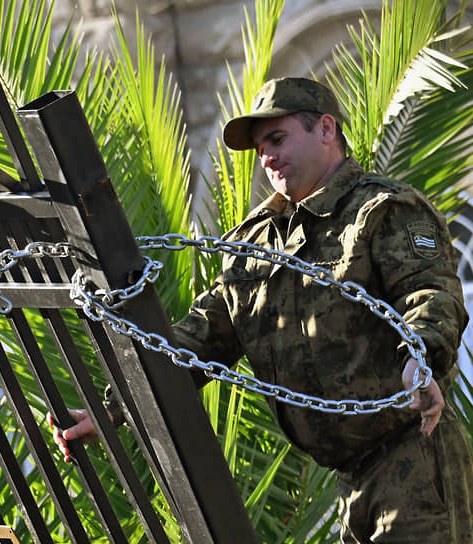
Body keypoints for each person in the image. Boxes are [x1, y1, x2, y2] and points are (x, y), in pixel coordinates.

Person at [49, 77, 473, 542]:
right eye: (258, 148)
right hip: (348, 478)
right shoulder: (253, 243)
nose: (267, 157)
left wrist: (420, 358)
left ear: (326, 129)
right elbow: (199, 337)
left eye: (277, 138)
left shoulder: (382, 210)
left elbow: (429, 293)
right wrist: (113, 408)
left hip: (413, 457)